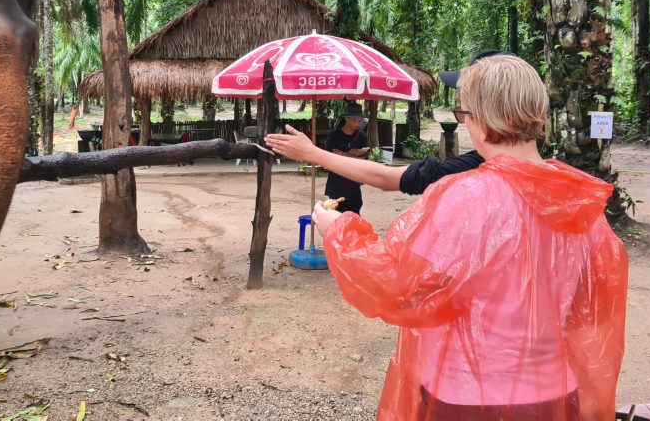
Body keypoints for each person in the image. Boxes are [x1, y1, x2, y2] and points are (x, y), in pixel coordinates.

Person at [310, 55, 628, 420]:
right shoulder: (578, 197)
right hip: (557, 394)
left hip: (468, 396)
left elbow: (395, 285)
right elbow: (590, 309)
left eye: (463, 113)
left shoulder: (466, 196)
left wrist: (339, 231)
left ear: (480, 117)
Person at [266, 51, 514, 195]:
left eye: (461, 109)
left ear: (482, 115)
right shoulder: (551, 177)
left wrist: (312, 153)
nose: (462, 120)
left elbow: (387, 178)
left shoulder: (470, 168)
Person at [323, 102, 371, 214]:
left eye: (359, 120)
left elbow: (364, 161)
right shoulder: (334, 136)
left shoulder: (362, 137)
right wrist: (352, 156)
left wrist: (342, 154)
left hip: (353, 183)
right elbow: (327, 159)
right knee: (335, 215)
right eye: (354, 120)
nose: (357, 123)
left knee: (354, 215)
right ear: (346, 118)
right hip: (336, 183)